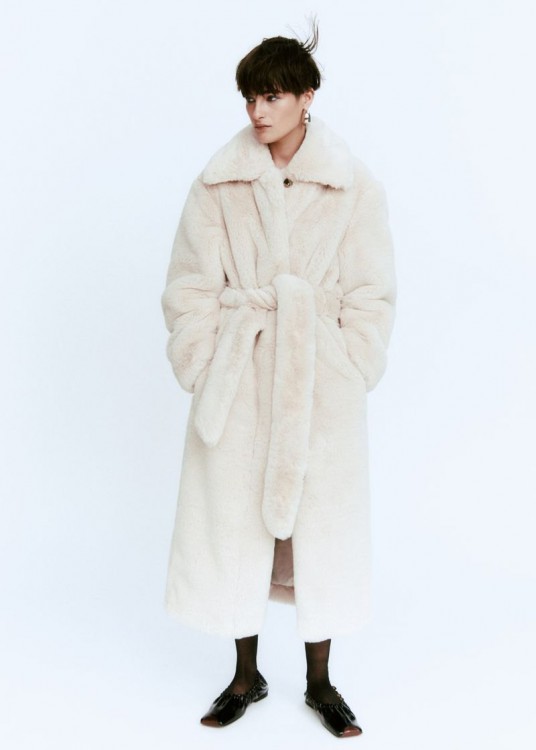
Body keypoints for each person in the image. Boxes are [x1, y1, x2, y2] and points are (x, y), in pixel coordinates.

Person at [160, 23, 397, 739]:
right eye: (250, 98)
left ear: (306, 97)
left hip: (320, 380)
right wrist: (202, 359)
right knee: (236, 522)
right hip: (240, 374)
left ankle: (321, 683)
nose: (257, 112)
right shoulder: (219, 182)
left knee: (322, 529)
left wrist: (353, 360)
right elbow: (189, 284)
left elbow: (372, 289)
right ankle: (245, 676)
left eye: (271, 97)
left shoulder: (352, 183)